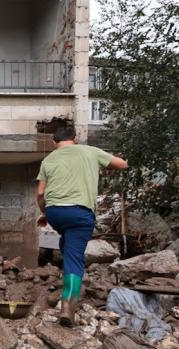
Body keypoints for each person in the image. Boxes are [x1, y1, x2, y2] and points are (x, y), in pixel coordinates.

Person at [36, 126, 128, 326]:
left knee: (67, 244)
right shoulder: (90, 151)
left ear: (54, 143)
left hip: (55, 212)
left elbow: (40, 194)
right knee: (74, 258)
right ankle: (68, 305)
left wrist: (45, 213)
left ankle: (66, 272)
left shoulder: (48, 159)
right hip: (79, 213)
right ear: (75, 139)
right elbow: (121, 165)